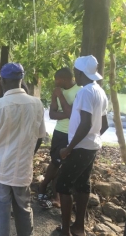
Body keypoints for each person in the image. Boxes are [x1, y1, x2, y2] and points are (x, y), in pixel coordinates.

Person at [0, 63, 46, 236]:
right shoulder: (37, 104)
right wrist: (27, 155)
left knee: (1, 213)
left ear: (4, 81)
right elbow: (40, 137)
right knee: (23, 209)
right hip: (23, 169)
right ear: (20, 79)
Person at [58, 55, 109, 236]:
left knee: (63, 185)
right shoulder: (100, 92)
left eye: (76, 72)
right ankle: (78, 228)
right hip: (91, 147)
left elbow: (86, 123)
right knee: (82, 185)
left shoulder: (86, 92)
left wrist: (69, 148)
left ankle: (65, 230)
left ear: (79, 73)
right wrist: (92, 139)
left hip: (80, 148)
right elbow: (104, 125)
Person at [38, 68, 81, 209]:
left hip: (71, 133)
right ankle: (53, 195)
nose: (55, 82)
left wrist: (61, 98)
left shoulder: (79, 91)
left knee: (60, 163)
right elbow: (52, 114)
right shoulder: (58, 90)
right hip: (59, 132)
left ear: (63, 79)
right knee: (55, 162)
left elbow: (71, 114)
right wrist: (56, 98)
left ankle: (45, 187)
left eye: (56, 79)